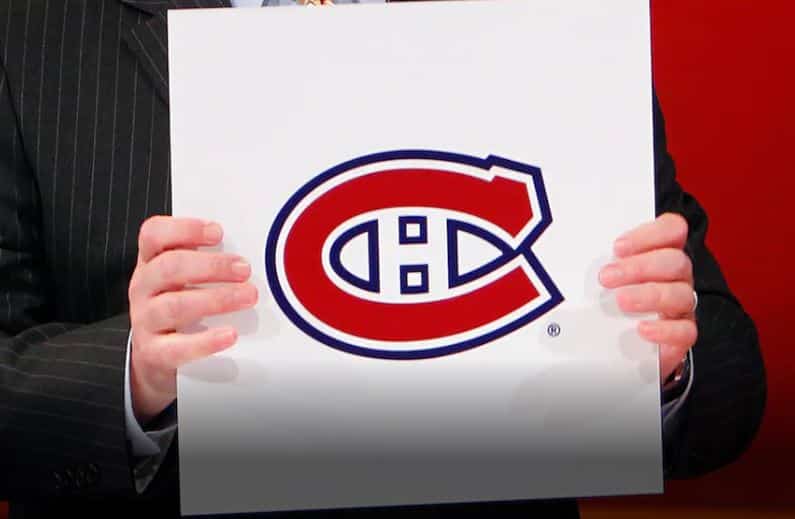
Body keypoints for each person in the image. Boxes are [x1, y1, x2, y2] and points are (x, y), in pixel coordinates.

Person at [0, 1, 766, 518]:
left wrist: (660, 368)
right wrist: (135, 374)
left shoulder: (547, 25)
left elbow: (727, 384)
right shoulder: (30, 30)